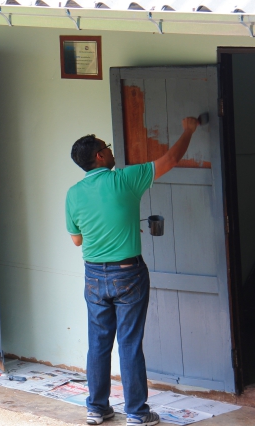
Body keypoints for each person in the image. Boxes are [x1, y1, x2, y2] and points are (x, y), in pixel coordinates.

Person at [65, 117, 199, 426]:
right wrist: (189, 130)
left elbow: (77, 240)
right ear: (100, 155)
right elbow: (171, 159)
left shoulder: (73, 193)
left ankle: (97, 408)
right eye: (107, 147)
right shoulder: (126, 179)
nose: (111, 151)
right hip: (128, 275)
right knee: (129, 343)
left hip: (94, 276)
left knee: (98, 344)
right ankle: (137, 413)